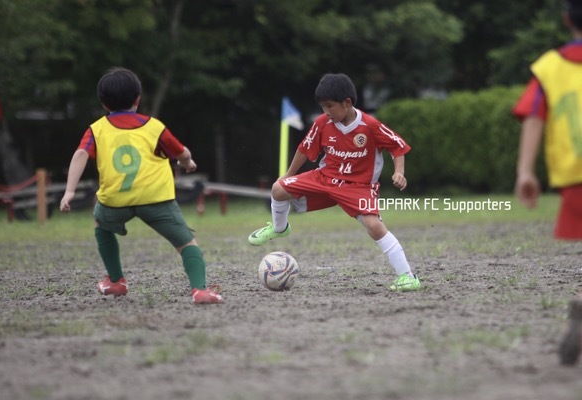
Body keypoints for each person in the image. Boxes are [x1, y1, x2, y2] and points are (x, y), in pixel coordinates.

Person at [59, 67, 223, 305]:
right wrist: (188, 162)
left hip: (115, 201)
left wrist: (70, 191)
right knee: (186, 243)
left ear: (103, 103)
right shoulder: (153, 126)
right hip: (156, 199)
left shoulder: (97, 129)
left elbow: (81, 154)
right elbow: (181, 151)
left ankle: (116, 282)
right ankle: (200, 290)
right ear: (137, 99)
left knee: (100, 221)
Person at [248, 73, 421, 292]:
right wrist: (287, 174)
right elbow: (304, 148)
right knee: (278, 189)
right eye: (322, 107)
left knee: (374, 226)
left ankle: (408, 277)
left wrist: (399, 172)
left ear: (347, 103)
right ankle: (280, 228)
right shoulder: (322, 123)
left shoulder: (370, 125)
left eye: (330, 106)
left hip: (358, 187)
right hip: (325, 179)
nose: (326, 112)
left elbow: (398, 145)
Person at [512, 0, 582, 364]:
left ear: (567, 19)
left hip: (575, 175)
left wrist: (525, 171)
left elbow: (534, 117)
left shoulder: (550, 67)